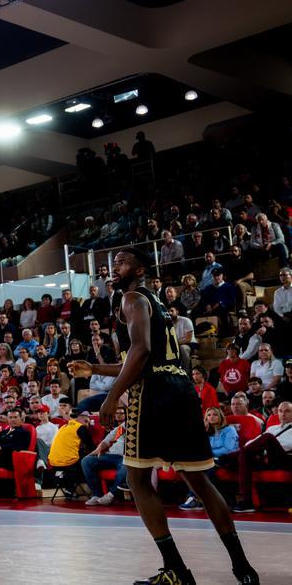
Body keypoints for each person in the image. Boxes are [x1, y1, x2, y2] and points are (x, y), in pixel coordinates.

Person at [71, 247, 257, 585]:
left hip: (154, 393)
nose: (115, 267)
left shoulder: (131, 298)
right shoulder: (154, 302)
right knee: (199, 480)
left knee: (138, 479)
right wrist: (95, 367)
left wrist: (112, 398)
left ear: (140, 269)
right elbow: (145, 356)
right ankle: (243, 568)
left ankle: (177, 571)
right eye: (114, 263)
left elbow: (140, 353)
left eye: (123, 262)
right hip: (181, 389)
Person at [231, 401, 292, 513]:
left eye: (287, 411)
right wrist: (254, 447)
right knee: (245, 456)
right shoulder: (273, 428)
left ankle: (229, 457)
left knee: (267, 438)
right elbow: (252, 442)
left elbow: (287, 445)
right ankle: (247, 501)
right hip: (266, 456)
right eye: (280, 411)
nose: (283, 414)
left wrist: (261, 446)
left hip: (284, 459)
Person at [82, 407, 128, 506]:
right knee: (86, 461)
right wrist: (98, 449)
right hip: (111, 455)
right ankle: (97, 495)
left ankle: (111, 495)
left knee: (125, 465)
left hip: (127, 457)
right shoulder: (123, 427)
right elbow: (107, 440)